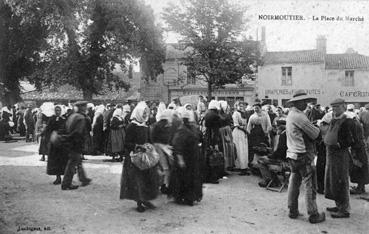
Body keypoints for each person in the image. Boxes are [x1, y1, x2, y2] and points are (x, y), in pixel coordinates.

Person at [286, 90, 325, 224]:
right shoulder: (299, 116)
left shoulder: (291, 114)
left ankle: (292, 210)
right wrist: (318, 126)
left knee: (294, 182)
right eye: (304, 101)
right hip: (302, 154)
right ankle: (313, 214)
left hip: (292, 153)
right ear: (298, 102)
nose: (306, 104)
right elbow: (315, 134)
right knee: (310, 185)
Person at [120, 101, 160, 212]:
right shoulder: (131, 126)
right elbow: (127, 143)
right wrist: (137, 147)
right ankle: (139, 202)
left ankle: (145, 199)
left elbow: (149, 140)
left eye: (145, 113)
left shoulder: (145, 126)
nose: (144, 115)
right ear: (138, 113)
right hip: (135, 158)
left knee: (147, 179)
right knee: (137, 180)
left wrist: (150, 147)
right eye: (143, 113)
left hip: (145, 157)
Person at [324, 98, 360, 218]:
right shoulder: (334, 119)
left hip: (340, 155)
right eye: (333, 107)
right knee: (333, 180)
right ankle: (338, 204)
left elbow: (352, 140)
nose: (334, 109)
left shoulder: (348, 121)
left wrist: (340, 144)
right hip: (331, 154)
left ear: (344, 107)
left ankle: (344, 209)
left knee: (341, 181)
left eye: (337, 107)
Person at [169, 109, 203, 206]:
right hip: (185, 157)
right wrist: (180, 159)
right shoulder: (182, 130)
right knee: (184, 178)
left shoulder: (192, 128)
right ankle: (184, 197)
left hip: (192, 157)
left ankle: (190, 197)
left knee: (192, 178)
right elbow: (177, 145)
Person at [61, 101, 92, 190]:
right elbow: (78, 132)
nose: (86, 108)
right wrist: (80, 143)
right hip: (76, 143)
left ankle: (83, 178)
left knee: (77, 161)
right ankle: (66, 183)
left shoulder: (72, 116)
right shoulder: (81, 118)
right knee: (72, 163)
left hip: (70, 142)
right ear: (82, 107)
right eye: (85, 106)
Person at [256, 119, 288, 187]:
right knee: (265, 159)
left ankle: (268, 180)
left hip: (283, 161)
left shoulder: (283, 135)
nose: (275, 129)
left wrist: (270, 156)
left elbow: (280, 151)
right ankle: (275, 181)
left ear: (280, 128)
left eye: (276, 127)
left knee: (260, 160)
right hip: (287, 159)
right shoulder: (287, 134)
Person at [46, 106, 68, 185]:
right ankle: (58, 177)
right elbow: (48, 129)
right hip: (54, 143)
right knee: (55, 160)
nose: (57, 112)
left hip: (62, 142)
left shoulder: (64, 119)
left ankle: (65, 178)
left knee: (63, 160)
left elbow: (67, 128)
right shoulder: (51, 119)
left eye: (59, 110)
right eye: (56, 110)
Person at [247, 103, 272, 169]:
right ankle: (255, 164)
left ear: (260, 108)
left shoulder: (265, 114)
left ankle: (263, 163)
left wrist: (267, 131)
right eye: (255, 108)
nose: (256, 109)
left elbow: (269, 124)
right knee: (255, 148)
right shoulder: (252, 116)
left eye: (257, 108)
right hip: (255, 134)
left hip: (263, 133)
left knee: (263, 147)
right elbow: (249, 126)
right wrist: (248, 133)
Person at [232, 101, 249, 175]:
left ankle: (244, 166)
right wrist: (245, 130)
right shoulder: (235, 113)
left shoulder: (244, 113)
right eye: (239, 106)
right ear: (236, 106)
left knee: (244, 150)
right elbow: (236, 124)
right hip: (238, 132)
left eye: (242, 106)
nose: (241, 107)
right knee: (239, 149)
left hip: (243, 133)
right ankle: (240, 167)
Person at [218, 101, 236, 172]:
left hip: (226, 131)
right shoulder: (222, 114)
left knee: (228, 147)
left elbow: (229, 121)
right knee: (226, 147)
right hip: (225, 131)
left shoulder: (226, 114)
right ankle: (227, 165)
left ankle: (229, 164)